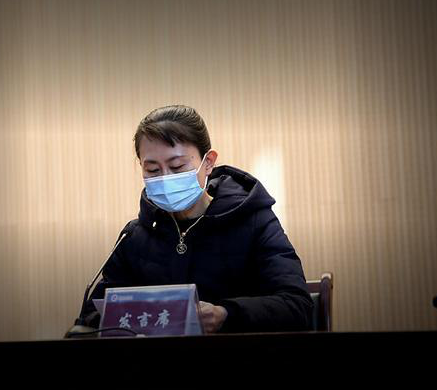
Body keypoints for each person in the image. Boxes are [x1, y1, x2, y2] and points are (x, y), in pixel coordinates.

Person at [81, 105, 313, 333]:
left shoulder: (254, 221)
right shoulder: (134, 236)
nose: (165, 178)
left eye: (177, 166)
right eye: (152, 170)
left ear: (208, 162)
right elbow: (90, 318)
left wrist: (226, 314)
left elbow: (297, 307)